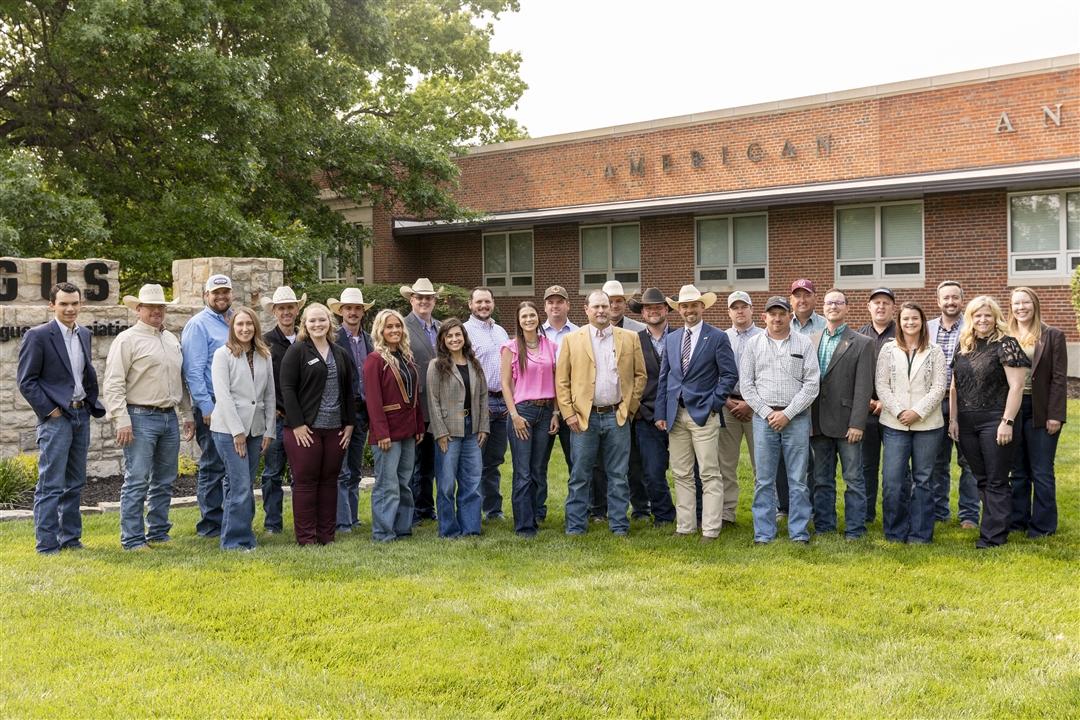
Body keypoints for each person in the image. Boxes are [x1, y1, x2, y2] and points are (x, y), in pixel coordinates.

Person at [103, 284, 194, 551]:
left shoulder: (171, 339)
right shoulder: (127, 340)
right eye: (151, 307)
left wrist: (187, 414)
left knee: (165, 479)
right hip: (139, 417)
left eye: (160, 307)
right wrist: (121, 419)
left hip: (169, 418)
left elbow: (181, 381)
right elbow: (113, 383)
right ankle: (132, 539)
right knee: (137, 479)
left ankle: (158, 532)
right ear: (138, 310)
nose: (156, 311)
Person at [16, 282, 106, 554]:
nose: (70, 309)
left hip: (81, 414)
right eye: (64, 303)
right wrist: (50, 411)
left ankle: (70, 539)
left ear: (81, 305)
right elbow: (26, 381)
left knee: (75, 482)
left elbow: (80, 375)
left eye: (74, 303)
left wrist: (89, 403)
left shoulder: (85, 334)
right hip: (57, 418)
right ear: (52, 305)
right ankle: (46, 544)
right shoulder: (38, 335)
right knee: (51, 483)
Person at [556, 290, 646, 536]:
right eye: (596, 306)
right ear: (586, 309)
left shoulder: (629, 338)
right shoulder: (572, 340)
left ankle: (619, 526)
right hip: (584, 418)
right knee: (580, 474)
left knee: (618, 474)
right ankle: (575, 526)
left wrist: (630, 407)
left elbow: (640, 375)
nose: (601, 311)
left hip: (617, 415)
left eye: (605, 306)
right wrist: (568, 413)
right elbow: (562, 380)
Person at [654, 285, 738, 541]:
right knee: (681, 473)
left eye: (694, 305)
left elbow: (729, 374)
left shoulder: (716, 337)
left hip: (704, 414)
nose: (690, 310)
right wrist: (661, 412)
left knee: (709, 473)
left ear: (703, 307)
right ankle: (685, 527)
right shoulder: (672, 338)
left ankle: (711, 530)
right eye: (685, 306)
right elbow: (665, 377)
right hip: (675, 416)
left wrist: (714, 403)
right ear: (679, 309)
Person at [948, 296, 1029, 549]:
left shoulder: (1006, 344)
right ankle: (994, 525)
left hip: (995, 419)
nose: (983, 320)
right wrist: (953, 419)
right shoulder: (964, 346)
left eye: (988, 315)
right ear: (970, 318)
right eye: (977, 315)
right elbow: (954, 386)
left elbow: (1017, 386)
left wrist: (1007, 421)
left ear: (996, 318)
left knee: (996, 479)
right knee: (981, 477)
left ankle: (993, 537)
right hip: (966, 421)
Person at [739, 296, 820, 545]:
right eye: (772, 314)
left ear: (789, 315)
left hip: (795, 419)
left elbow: (812, 384)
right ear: (764, 317)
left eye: (781, 313)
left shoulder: (803, 343)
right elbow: (747, 385)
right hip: (764, 420)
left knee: (798, 479)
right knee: (764, 479)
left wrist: (788, 413)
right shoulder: (753, 345)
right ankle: (764, 533)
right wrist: (766, 412)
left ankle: (799, 532)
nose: (777, 318)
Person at [280, 303, 356, 546]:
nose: (317, 324)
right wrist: (298, 424)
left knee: (329, 482)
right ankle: (307, 538)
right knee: (305, 483)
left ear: (329, 322)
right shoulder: (298, 351)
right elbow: (287, 389)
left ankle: (326, 536)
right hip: (305, 430)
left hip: (335, 429)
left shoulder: (340, 352)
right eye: (312, 321)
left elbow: (348, 391)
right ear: (305, 324)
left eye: (321, 320)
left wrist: (350, 424)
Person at [876, 302, 947, 544]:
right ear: (899, 322)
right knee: (893, 480)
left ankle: (920, 534)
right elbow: (882, 385)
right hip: (895, 425)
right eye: (905, 319)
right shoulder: (888, 349)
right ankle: (895, 532)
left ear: (922, 321)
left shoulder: (935, 351)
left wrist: (917, 411)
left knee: (923, 480)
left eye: (915, 319)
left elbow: (939, 387)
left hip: (927, 425)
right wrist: (898, 411)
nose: (910, 323)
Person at [809, 289, 875, 540]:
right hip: (818, 422)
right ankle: (825, 527)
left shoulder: (862, 342)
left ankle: (855, 529)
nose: (833, 306)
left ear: (847, 308)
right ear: (823, 308)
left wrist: (858, 422)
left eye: (838, 302)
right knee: (822, 479)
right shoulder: (812, 339)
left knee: (854, 479)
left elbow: (863, 387)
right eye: (828, 303)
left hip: (848, 423)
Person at [209, 307, 276, 551]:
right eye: (240, 324)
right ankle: (235, 542)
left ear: (255, 327)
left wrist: (270, 430)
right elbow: (223, 396)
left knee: (244, 485)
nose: (245, 328)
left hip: (256, 429)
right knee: (239, 485)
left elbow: (270, 395)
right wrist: (237, 432)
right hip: (228, 430)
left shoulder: (264, 355)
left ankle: (240, 535)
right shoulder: (222, 355)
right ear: (232, 328)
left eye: (249, 324)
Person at [1007, 287, 1067, 538]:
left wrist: (1055, 415)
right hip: (1013, 408)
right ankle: (1018, 520)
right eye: (1016, 303)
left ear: (1035, 304)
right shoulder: (1005, 335)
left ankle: (1043, 526)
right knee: (1018, 470)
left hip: (1041, 409)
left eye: (1026, 302)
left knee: (1041, 470)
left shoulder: (1053, 335)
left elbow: (1059, 378)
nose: (1021, 307)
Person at [365, 309, 425, 542]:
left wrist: (418, 425)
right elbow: (373, 399)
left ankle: (402, 528)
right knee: (387, 484)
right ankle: (383, 532)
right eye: (389, 327)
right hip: (387, 433)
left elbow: (414, 396)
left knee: (404, 482)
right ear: (380, 330)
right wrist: (381, 432)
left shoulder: (407, 357)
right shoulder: (374, 360)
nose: (394, 330)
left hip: (408, 430)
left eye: (398, 326)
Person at [181, 273, 234, 538]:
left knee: (232, 465)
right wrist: (206, 408)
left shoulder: (236, 321)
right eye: (216, 293)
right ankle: (211, 524)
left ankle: (230, 519)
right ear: (206, 296)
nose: (221, 297)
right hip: (212, 407)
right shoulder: (198, 325)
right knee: (213, 465)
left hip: (236, 407)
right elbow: (193, 371)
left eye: (226, 292)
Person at [426, 319, 489, 538]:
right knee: (445, 484)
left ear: (464, 337)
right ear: (443, 340)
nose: (454, 339)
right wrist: (440, 432)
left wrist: (483, 426)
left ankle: (470, 528)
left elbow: (482, 397)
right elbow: (432, 401)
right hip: (449, 431)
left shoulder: (474, 363)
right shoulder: (436, 365)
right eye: (449, 336)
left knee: (472, 482)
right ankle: (449, 530)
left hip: (472, 430)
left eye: (458, 335)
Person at [501, 302, 560, 537]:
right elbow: (505, 383)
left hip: (546, 412)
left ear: (538, 317)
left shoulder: (551, 346)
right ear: (518, 320)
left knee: (538, 469)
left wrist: (556, 413)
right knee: (523, 471)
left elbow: (557, 382)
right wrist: (514, 414)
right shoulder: (511, 347)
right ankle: (524, 526)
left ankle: (535, 515)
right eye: (524, 316)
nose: (528, 319)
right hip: (522, 412)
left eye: (532, 315)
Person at [593, 279, 649, 522]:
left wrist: (631, 406)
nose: (613, 306)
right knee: (598, 465)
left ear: (624, 304)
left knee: (634, 463)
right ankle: (599, 509)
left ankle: (640, 508)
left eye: (618, 301)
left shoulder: (638, 330)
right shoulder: (588, 332)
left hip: (631, 408)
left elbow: (642, 370)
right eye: (609, 301)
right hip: (600, 409)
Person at [927, 280, 978, 529]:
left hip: (967, 404)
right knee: (937, 460)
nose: (950, 302)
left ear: (962, 300)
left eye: (955, 297)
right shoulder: (926, 328)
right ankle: (939, 512)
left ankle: (969, 514)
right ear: (938, 301)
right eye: (945, 298)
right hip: (935, 404)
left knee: (968, 460)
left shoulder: (973, 328)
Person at [776, 278, 825, 520]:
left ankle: (812, 507)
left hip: (817, 401)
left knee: (812, 459)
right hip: (784, 402)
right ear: (791, 299)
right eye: (797, 295)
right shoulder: (782, 324)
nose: (802, 300)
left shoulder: (825, 326)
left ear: (815, 298)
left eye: (807, 295)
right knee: (783, 458)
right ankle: (784, 506)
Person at [628, 288, 677, 527]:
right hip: (646, 416)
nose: (653, 311)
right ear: (643, 313)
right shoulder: (634, 341)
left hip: (679, 413)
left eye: (658, 307)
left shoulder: (681, 337)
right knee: (653, 471)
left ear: (666, 309)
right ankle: (664, 516)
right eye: (648, 308)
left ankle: (696, 514)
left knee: (689, 471)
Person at [259, 285, 306, 534]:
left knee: (301, 475)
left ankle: (302, 522)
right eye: (281, 308)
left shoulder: (306, 339)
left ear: (297, 310)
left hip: (303, 420)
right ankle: (273, 524)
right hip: (277, 418)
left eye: (290, 307)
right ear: (274, 312)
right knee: (272, 473)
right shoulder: (265, 342)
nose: (286, 312)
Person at [463, 286, 511, 520]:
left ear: (493, 304)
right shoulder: (464, 331)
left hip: (503, 404)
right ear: (470, 304)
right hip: (479, 403)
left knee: (494, 461)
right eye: (479, 302)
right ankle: (471, 510)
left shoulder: (501, 331)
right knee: (474, 460)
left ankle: (493, 510)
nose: (483, 306)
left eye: (487, 302)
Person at [329, 288, 374, 534]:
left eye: (357, 308)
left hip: (364, 412)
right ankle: (342, 521)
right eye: (349, 308)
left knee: (355, 468)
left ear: (363, 312)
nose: (353, 312)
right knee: (342, 469)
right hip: (341, 412)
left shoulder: (370, 340)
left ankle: (353, 517)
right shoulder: (333, 339)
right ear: (341, 312)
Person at [719, 291, 762, 526]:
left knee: (762, 463)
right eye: (734, 307)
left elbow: (769, 375)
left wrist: (751, 403)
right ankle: (727, 513)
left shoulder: (765, 336)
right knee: (726, 463)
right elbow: (714, 373)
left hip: (758, 407)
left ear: (752, 309)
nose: (739, 311)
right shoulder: (721, 337)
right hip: (728, 405)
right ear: (729, 312)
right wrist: (726, 400)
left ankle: (765, 512)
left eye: (743, 306)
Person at [401, 278, 442, 523]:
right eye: (419, 298)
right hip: (414, 404)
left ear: (434, 301)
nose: (424, 301)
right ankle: (414, 510)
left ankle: (427, 508)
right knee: (413, 463)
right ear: (412, 300)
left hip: (439, 406)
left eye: (428, 298)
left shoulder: (441, 327)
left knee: (430, 464)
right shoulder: (402, 327)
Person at [538, 285, 579, 520]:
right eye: (551, 302)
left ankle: (579, 511)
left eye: (560, 301)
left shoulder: (579, 333)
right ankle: (538, 512)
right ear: (545, 306)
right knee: (539, 463)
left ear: (568, 305)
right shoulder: (535, 333)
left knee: (578, 463)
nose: (555, 306)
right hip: (543, 408)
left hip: (572, 407)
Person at [857, 287, 897, 524]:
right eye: (876, 303)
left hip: (895, 411)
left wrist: (887, 401)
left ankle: (895, 514)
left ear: (893, 307)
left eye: (885, 302)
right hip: (866, 412)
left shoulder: (903, 332)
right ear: (869, 307)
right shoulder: (859, 335)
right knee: (866, 466)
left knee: (895, 468)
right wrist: (869, 401)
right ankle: (867, 514)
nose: (881, 307)